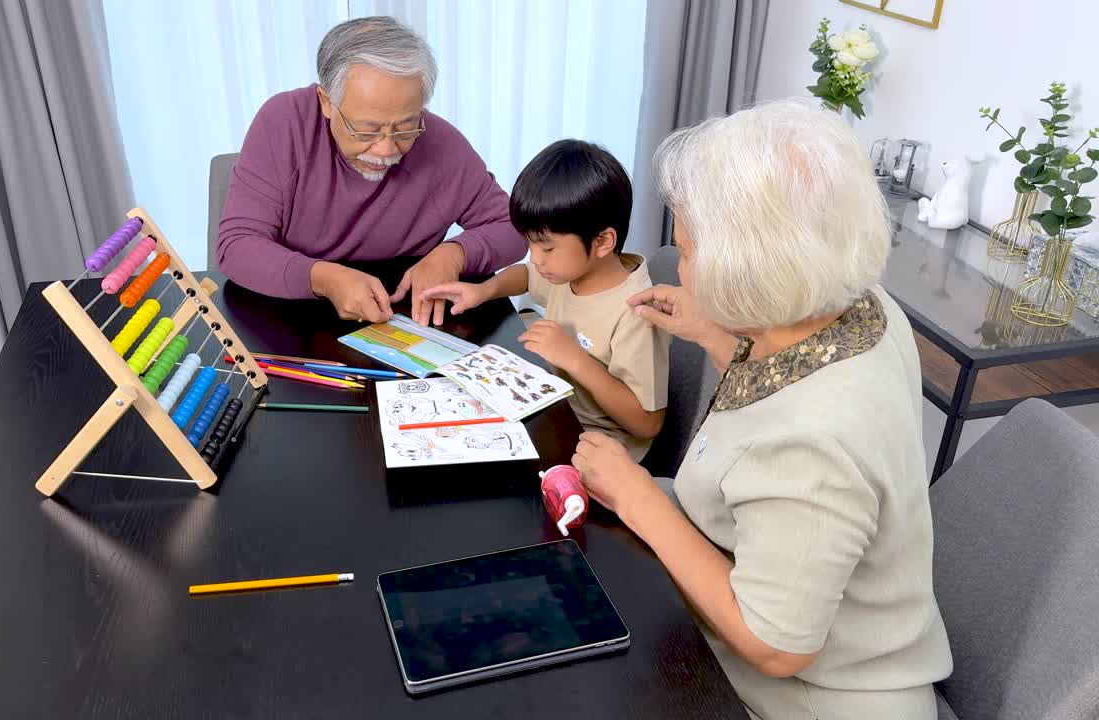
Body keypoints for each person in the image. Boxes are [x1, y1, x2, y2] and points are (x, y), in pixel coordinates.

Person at [571, 101, 952, 719]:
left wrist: (636, 494)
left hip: (811, 695)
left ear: (751, 274)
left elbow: (775, 646)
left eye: (689, 253)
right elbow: (782, 381)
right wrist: (720, 333)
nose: (679, 263)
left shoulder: (813, 447)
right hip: (830, 621)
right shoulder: (862, 305)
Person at [217, 16, 526, 326]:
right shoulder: (283, 123)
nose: (386, 150)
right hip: (285, 316)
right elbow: (238, 245)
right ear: (326, 102)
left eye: (406, 128)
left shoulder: (441, 143)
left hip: (403, 319)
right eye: (366, 131)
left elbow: (514, 227)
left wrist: (454, 255)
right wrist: (324, 278)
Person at [423, 140, 667, 460]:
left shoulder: (637, 312)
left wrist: (574, 358)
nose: (535, 258)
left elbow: (647, 424)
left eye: (547, 248)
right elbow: (526, 274)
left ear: (603, 241)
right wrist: (483, 291)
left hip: (598, 447)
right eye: (530, 243)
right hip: (555, 408)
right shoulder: (570, 271)